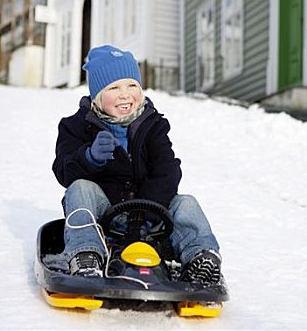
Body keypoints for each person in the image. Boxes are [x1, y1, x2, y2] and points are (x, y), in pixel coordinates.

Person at [52, 45, 222, 286]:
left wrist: (144, 214)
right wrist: (89, 157)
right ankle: (86, 254)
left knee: (186, 203)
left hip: (152, 212)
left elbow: (167, 170)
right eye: (114, 88)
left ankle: (201, 257)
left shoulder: (153, 124)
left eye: (132, 85)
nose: (125, 94)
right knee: (80, 188)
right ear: (97, 95)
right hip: (103, 215)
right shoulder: (76, 126)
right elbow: (63, 171)